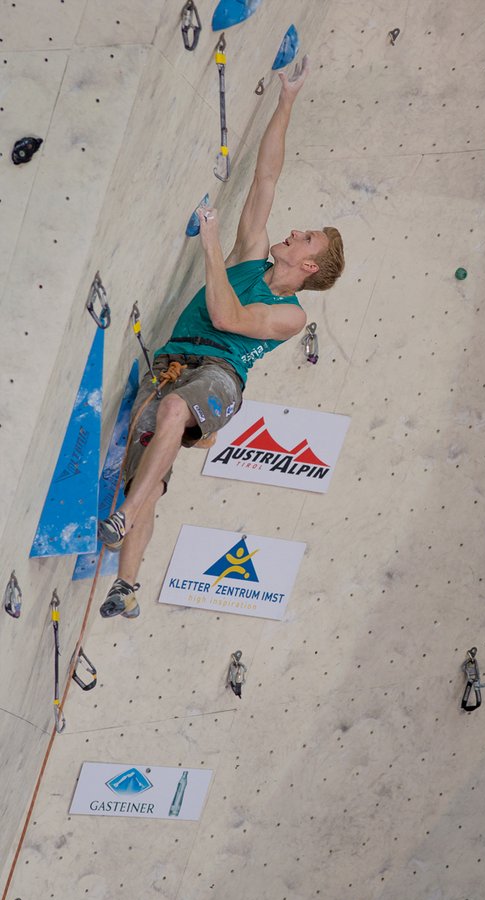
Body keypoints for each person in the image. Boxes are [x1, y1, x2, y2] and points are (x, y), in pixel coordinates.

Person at [97, 57, 344, 619]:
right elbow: (266, 177)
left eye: (306, 238)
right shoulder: (253, 253)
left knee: (173, 412)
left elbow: (228, 317)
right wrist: (287, 100)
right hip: (173, 362)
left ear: (308, 266)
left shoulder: (290, 315)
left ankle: (122, 519)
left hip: (220, 377)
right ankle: (126, 586)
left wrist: (211, 246)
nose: (294, 231)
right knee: (148, 477)